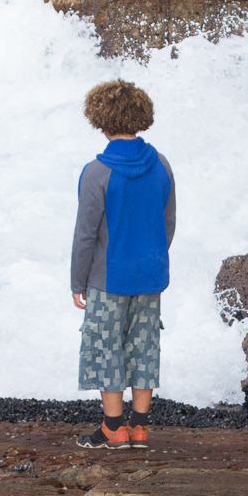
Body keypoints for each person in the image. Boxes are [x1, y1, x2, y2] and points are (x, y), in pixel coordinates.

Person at [69, 80, 175, 449]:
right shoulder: (161, 165)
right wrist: (153, 261)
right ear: (141, 116)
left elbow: (86, 235)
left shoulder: (96, 172)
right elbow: (168, 223)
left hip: (108, 278)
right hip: (150, 274)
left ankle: (114, 427)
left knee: (105, 345)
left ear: (100, 120)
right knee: (144, 344)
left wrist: (77, 281)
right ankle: (141, 428)